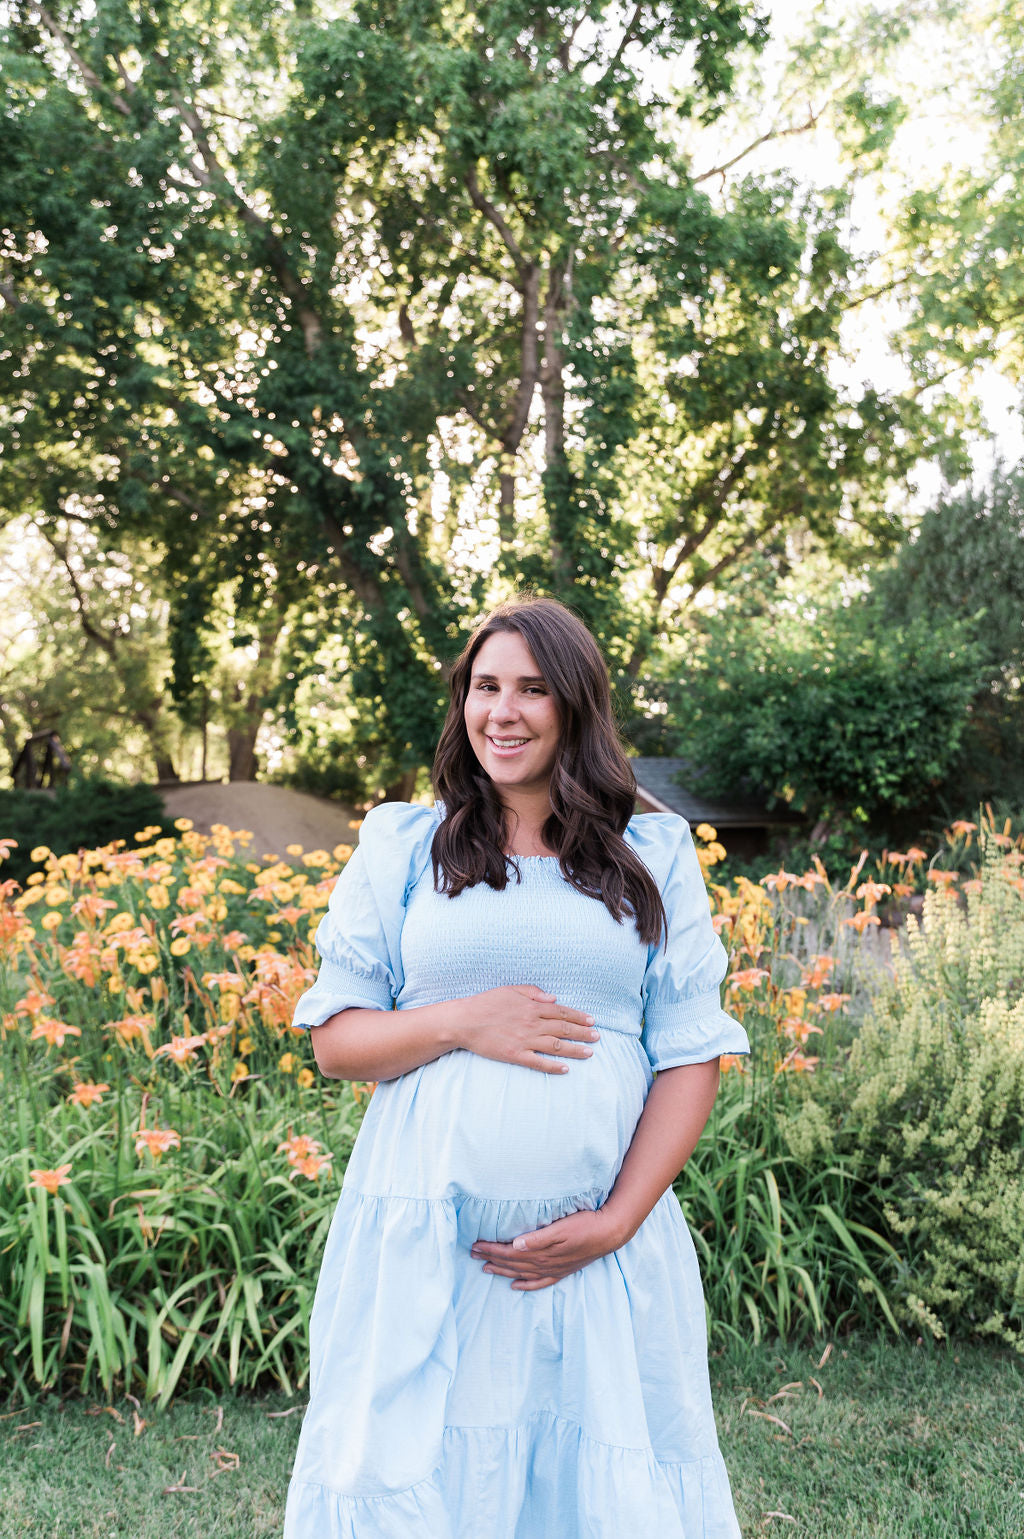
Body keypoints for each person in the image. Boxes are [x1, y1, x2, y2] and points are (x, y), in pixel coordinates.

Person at [283, 595, 750, 1539]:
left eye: (533, 689)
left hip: (597, 1258)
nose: (504, 711)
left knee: (594, 1481)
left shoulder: (649, 854)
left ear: (576, 705)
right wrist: (464, 1020)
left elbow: (690, 1053)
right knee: (417, 1470)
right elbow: (336, 1040)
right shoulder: (406, 847)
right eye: (485, 686)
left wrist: (616, 1222)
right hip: (430, 1237)